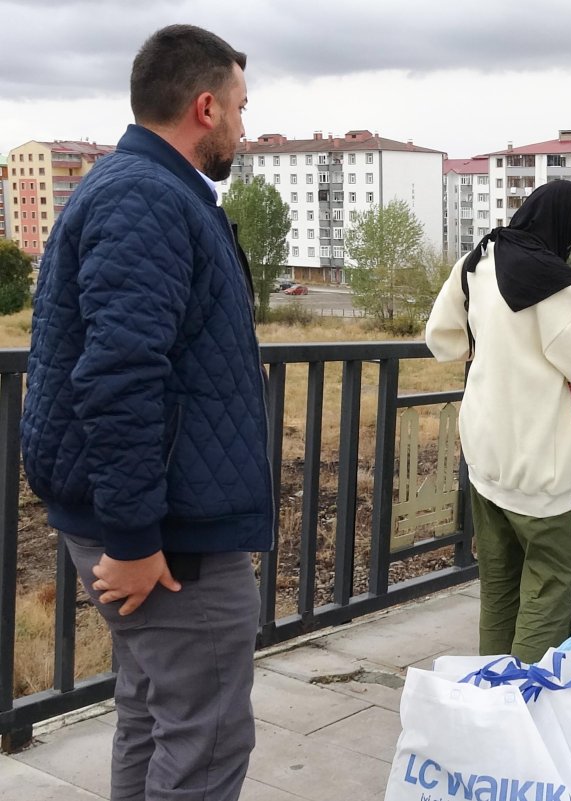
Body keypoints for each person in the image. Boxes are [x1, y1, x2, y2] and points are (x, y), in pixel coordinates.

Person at [21, 25, 271, 801]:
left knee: (152, 713)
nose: (242, 126)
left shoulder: (145, 188)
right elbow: (121, 374)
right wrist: (133, 536)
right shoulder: (146, 196)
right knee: (208, 735)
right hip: (165, 532)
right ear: (204, 106)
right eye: (238, 107)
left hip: (155, 517)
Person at [425, 180, 571, 663]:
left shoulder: (476, 261)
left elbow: (442, 339)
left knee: (499, 582)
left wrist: (492, 346)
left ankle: (491, 693)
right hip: (536, 462)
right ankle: (528, 703)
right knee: (550, 580)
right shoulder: (554, 286)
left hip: (485, 454)